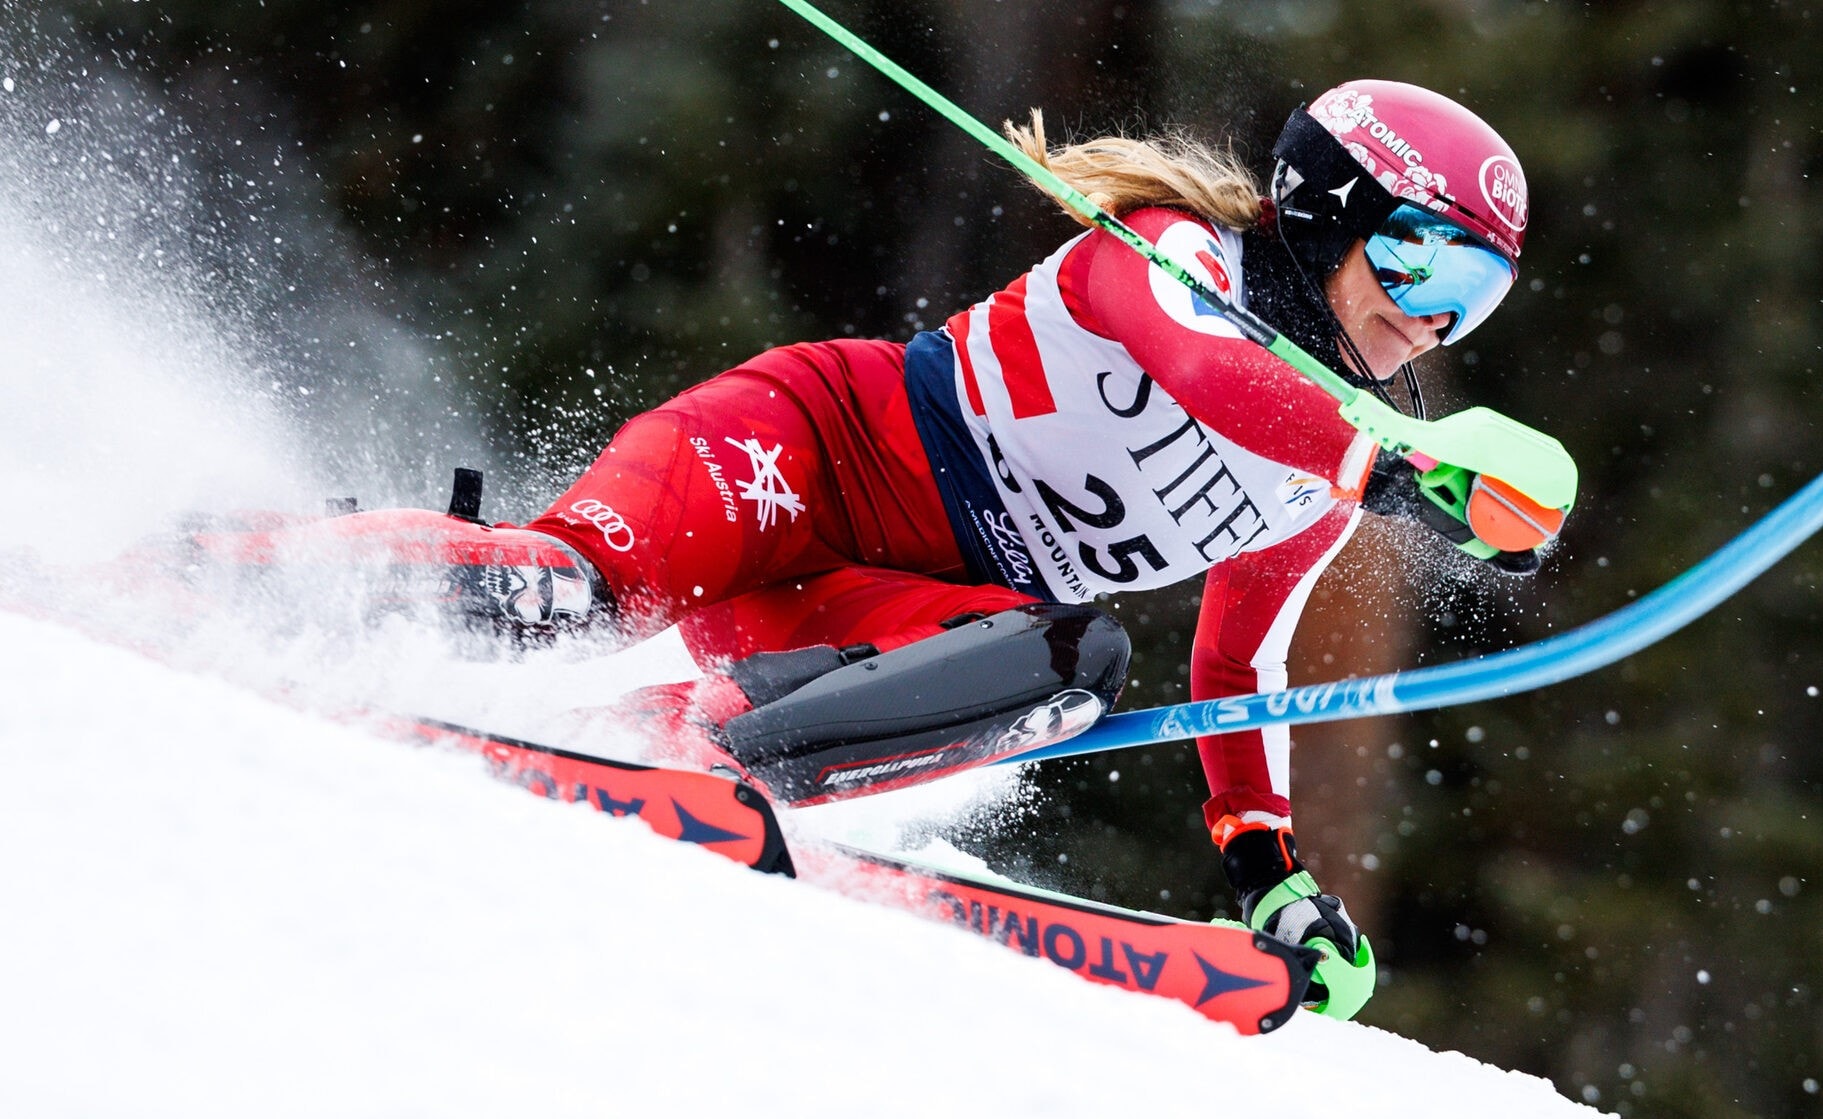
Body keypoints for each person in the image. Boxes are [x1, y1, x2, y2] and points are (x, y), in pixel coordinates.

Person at [188, 79, 1549, 1021]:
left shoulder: (1328, 476)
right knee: (549, 594)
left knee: (1073, 664)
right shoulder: (1168, 254)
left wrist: (1266, 867)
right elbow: (1201, 367)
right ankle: (225, 567)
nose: (1434, 325)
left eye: (1475, 300)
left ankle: (666, 754)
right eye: (1424, 267)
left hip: (892, 606)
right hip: (804, 456)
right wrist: (1389, 466)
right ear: (1324, 214)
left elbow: (1241, 659)